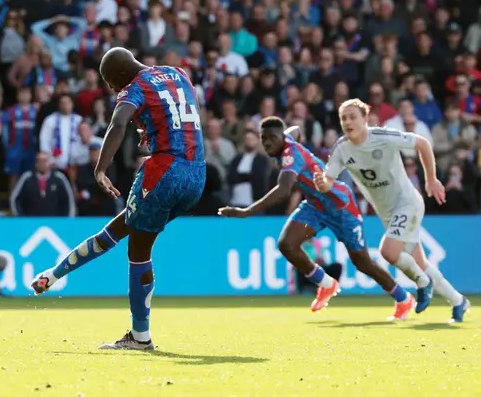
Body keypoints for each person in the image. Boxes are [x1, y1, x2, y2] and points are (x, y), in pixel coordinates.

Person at [30, 48, 206, 350]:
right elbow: (178, 116)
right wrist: (152, 130)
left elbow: (117, 123)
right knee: (120, 229)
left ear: (118, 77)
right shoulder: (179, 74)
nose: (112, 90)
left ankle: (140, 337)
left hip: (165, 171)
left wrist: (100, 169)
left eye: (110, 84)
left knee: (138, 251)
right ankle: (53, 274)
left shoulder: (134, 87)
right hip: (197, 175)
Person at [219, 117, 415, 320]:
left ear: (281, 139)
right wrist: (290, 135)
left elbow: (284, 189)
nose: (267, 142)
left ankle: (403, 299)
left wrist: (246, 211)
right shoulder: (285, 141)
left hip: (341, 207)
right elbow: (294, 131)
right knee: (287, 245)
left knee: (363, 262)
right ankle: (326, 284)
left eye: (272, 138)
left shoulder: (290, 155)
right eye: (264, 138)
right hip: (315, 205)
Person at [314, 99, 470, 323]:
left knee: (388, 251)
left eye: (352, 117)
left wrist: (431, 179)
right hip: (387, 212)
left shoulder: (383, 136)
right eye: (343, 118)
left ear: (365, 119)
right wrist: (322, 183)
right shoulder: (341, 148)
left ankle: (422, 283)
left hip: (407, 203)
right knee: (420, 262)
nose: (347, 122)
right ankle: (458, 301)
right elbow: (329, 180)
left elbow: (423, 143)